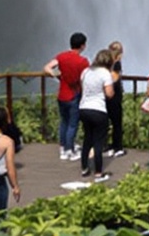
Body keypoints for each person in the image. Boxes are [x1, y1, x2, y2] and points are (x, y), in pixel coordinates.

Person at [44, 32, 89, 160]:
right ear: (82, 46)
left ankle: (63, 148)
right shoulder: (83, 61)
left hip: (62, 94)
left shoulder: (61, 56)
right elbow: (86, 79)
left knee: (64, 121)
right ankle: (70, 150)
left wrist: (57, 75)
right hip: (74, 94)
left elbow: (47, 67)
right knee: (73, 124)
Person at [77, 50, 115, 179]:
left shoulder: (86, 72)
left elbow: (83, 89)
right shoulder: (105, 73)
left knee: (87, 139)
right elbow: (109, 93)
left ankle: (84, 168)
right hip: (98, 109)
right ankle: (98, 172)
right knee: (98, 141)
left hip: (83, 108)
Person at [101, 41, 128, 156]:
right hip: (114, 96)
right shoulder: (116, 64)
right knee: (117, 122)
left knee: (105, 122)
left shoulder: (105, 63)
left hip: (105, 95)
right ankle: (118, 147)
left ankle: (105, 145)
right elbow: (115, 78)